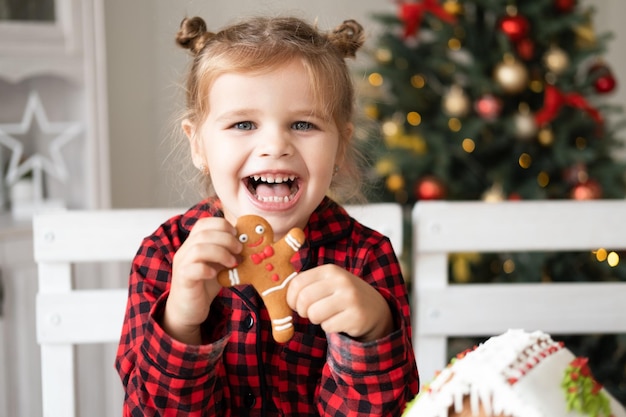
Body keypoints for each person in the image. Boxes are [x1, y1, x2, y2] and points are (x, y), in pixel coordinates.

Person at [115, 14, 419, 416]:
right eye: (243, 124)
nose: (275, 145)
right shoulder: (167, 256)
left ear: (340, 146)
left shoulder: (367, 258)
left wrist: (374, 331)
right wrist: (180, 324)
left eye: (303, 124)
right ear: (199, 145)